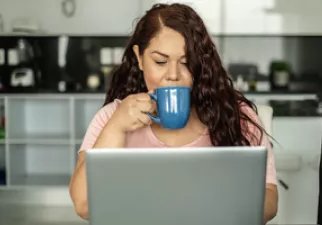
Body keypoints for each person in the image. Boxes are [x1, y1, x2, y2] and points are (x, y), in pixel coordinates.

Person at [69, 3, 278, 224]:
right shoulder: (111, 117)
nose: (173, 75)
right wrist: (116, 127)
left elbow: (270, 203)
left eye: (187, 63)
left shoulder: (235, 115)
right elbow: (83, 205)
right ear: (139, 58)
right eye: (160, 61)